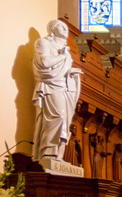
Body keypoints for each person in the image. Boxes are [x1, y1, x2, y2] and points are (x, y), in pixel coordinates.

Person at [31, 19, 83, 161]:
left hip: (64, 86)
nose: (65, 28)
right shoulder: (43, 42)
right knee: (57, 117)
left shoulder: (65, 50)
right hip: (50, 86)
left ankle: (57, 155)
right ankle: (46, 153)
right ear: (53, 29)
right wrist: (62, 56)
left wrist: (71, 72)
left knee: (65, 123)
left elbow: (61, 68)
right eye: (60, 26)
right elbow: (45, 62)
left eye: (66, 26)